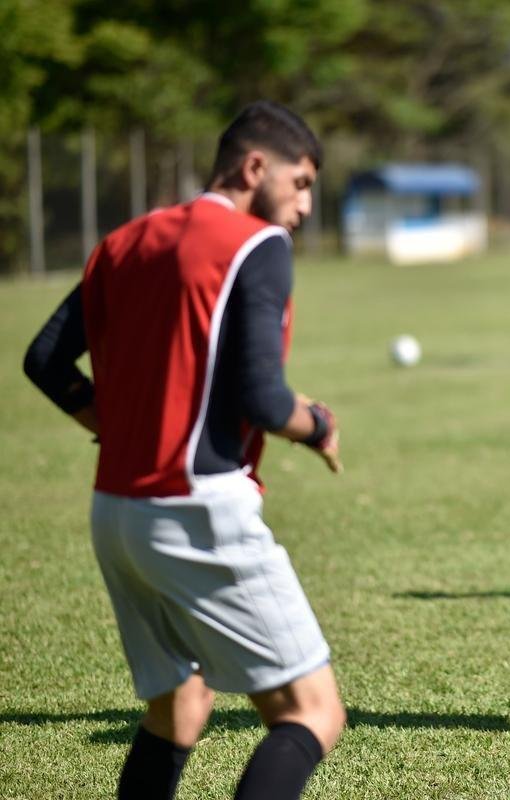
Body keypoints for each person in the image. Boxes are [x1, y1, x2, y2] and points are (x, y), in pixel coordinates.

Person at [23, 101, 346, 800]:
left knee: (181, 705)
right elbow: (264, 400)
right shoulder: (257, 244)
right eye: (300, 184)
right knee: (313, 712)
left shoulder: (126, 240)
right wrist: (318, 424)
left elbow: (45, 358)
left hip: (116, 511)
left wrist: (119, 428)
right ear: (254, 168)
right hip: (198, 509)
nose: (304, 205)